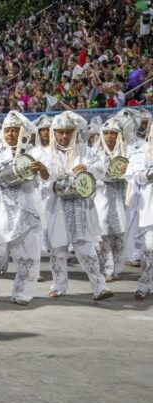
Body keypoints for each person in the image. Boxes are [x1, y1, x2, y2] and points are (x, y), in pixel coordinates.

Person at [0, 111, 49, 304]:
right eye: (7, 130)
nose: (11, 134)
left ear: (22, 132)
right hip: (1, 208)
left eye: (15, 131)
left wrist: (41, 168)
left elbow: (47, 177)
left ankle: (22, 293)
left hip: (27, 207)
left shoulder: (33, 153)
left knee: (28, 254)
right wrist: (9, 172)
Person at [43, 111, 113, 301]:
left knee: (86, 249)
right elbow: (42, 181)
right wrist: (54, 185)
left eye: (68, 132)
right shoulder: (46, 153)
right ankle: (58, 286)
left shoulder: (85, 151)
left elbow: (102, 170)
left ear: (74, 132)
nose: (64, 136)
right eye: (60, 132)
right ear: (54, 133)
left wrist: (87, 169)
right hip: (56, 206)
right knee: (57, 250)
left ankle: (99, 287)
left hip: (82, 207)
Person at [93, 118, 131, 282]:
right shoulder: (94, 152)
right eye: (106, 133)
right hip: (101, 196)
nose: (109, 136)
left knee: (120, 233)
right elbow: (93, 173)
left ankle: (117, 268)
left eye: (113, 133)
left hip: (120, 196)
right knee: (104, 234)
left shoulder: (126, 151)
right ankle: (106, 269)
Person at [126, 124, 153, 299]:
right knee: (149, 247)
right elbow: (135, 175)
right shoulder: (142, 152)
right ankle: (145, 283)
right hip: (148, 206)